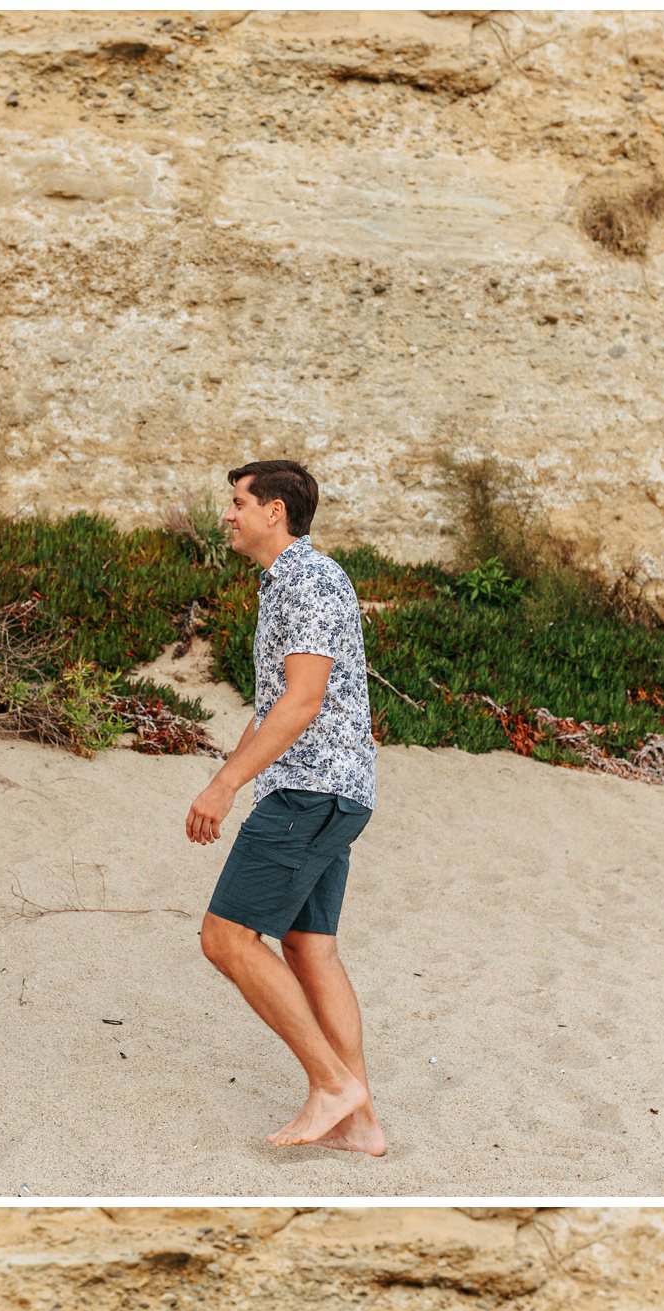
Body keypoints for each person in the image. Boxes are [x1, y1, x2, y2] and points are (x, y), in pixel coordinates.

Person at [186, 460, 386, 1157]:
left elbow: (301, 703)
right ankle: (360, 1123)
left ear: (275, 511)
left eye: (237, 503)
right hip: (330, 789)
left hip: (310, 789)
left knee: (226, 937)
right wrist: (229, 778)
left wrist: (224, 786)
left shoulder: (307, 578)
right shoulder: (289, 584)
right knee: (309, 947)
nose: (228, 515)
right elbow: (276, 705)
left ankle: (333, 1084)